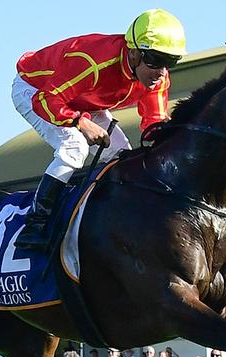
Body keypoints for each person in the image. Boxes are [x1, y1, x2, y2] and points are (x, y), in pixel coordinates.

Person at [11, 8, 186, 249]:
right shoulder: (93, 62)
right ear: (133, 53)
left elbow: (154, 124)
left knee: (123, 158)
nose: (162, 72)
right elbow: (45, 100)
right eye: (156, 60)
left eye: (171, 62)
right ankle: (35, 224)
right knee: (75, 147)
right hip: (36, 90)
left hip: (84, 100)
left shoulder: (158, 78)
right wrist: (80, 122)